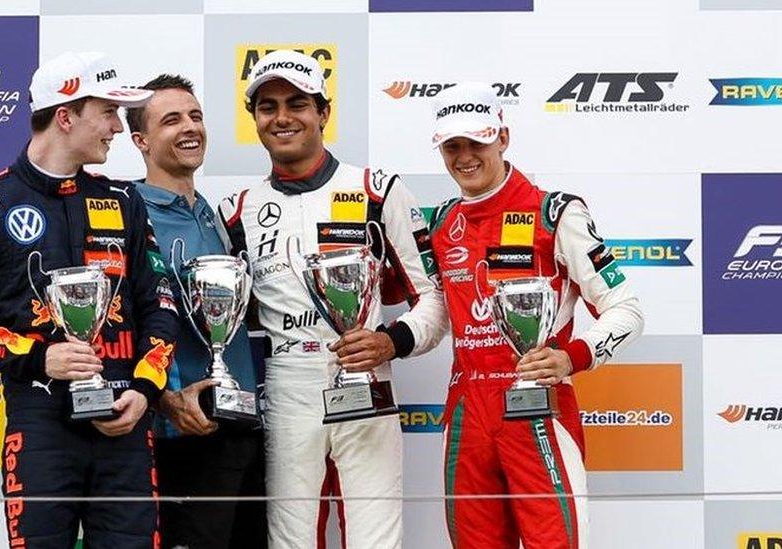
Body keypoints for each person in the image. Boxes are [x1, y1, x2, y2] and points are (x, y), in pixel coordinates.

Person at [0, 51, 179, 549]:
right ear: (65, 116)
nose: (117, 128)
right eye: (107, 112)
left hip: (124, 420)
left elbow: (160, 303)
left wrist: (146, 388)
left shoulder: (124, 201)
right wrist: (41, 357)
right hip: (40, 426)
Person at [216, 50, 446, 549]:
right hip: (286, 385)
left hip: (367, 380)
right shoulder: (237, 211)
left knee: (375, 539)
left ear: (323, 112)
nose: (281, 118)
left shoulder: (377, 190)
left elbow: (434, 297)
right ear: (254, 118)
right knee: (290, 541)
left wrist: (391, 342)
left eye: (297, 104)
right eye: (267, 106)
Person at [426, 82, 645, 548]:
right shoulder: (443, 224)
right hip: (467, 411)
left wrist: (571, 357)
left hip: (538, 408)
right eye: (452, 146)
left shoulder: (555, 213)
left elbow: (626, 309)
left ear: (502, 137)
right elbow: (437, 315)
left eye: (476, 142)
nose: (464, 157)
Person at [125, 73, 267, 549]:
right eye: (171, 120)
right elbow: (120, 326)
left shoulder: (217, 213)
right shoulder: (127, 212)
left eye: (196, 116)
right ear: (140, 140)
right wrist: (166, 398)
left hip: (243, 423)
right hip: (182, 429)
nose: (190, 127)